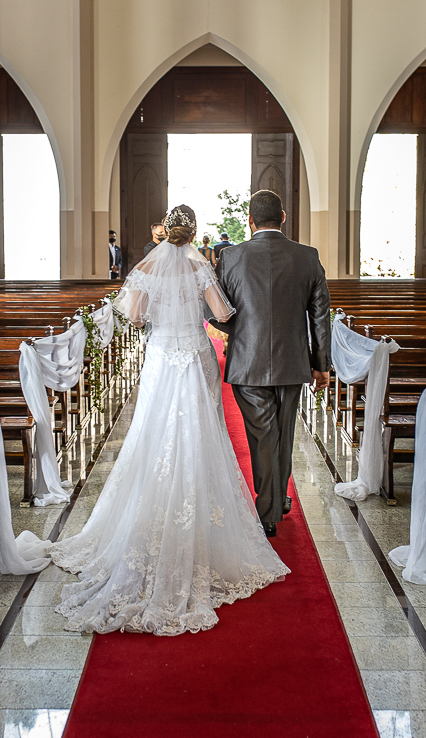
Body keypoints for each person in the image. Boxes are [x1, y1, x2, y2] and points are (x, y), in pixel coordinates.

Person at [50, 204, 289, 635]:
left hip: (162, 355)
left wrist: (162, 312)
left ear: (165, 229)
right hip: (196, 355)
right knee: (202, 434)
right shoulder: (200, 265)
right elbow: (221, 314)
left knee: (154, 432)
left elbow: (135, 315)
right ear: (193, 232)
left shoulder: (146, 265)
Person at [208, 190, 331, 537]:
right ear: (284, 216)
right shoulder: (307, 256)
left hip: (247, 362)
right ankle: (277, 501)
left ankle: (269, 511)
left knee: (263, 436)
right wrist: (321, 364)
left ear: (250, 220)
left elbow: (216, 312)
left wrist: (243, 330)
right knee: (283, 433)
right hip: (293, 362)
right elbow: (321, 315)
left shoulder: (231, 257)